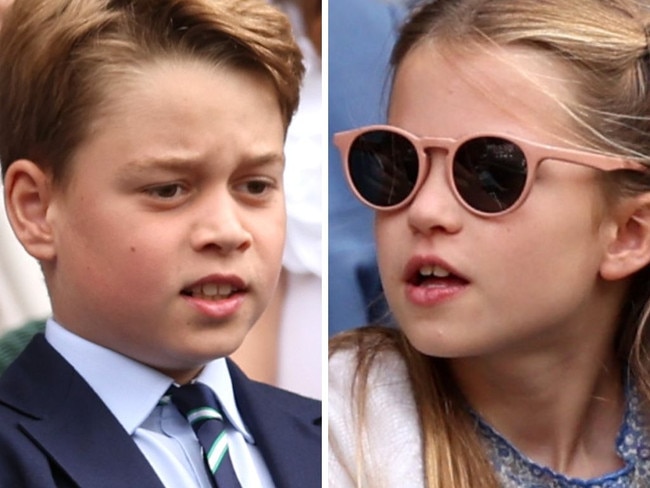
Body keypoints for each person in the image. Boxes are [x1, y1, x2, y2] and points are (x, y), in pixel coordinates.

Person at [329, 0, 650, 486]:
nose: (425, 210)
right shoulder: (335, 428)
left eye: (491, 173)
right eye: (398, 164)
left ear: (628, 234)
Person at [0, 0, 321, 486]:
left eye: (255, 185)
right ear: (36, 209)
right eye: (168, 189)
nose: (229, 231)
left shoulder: (329, 440)